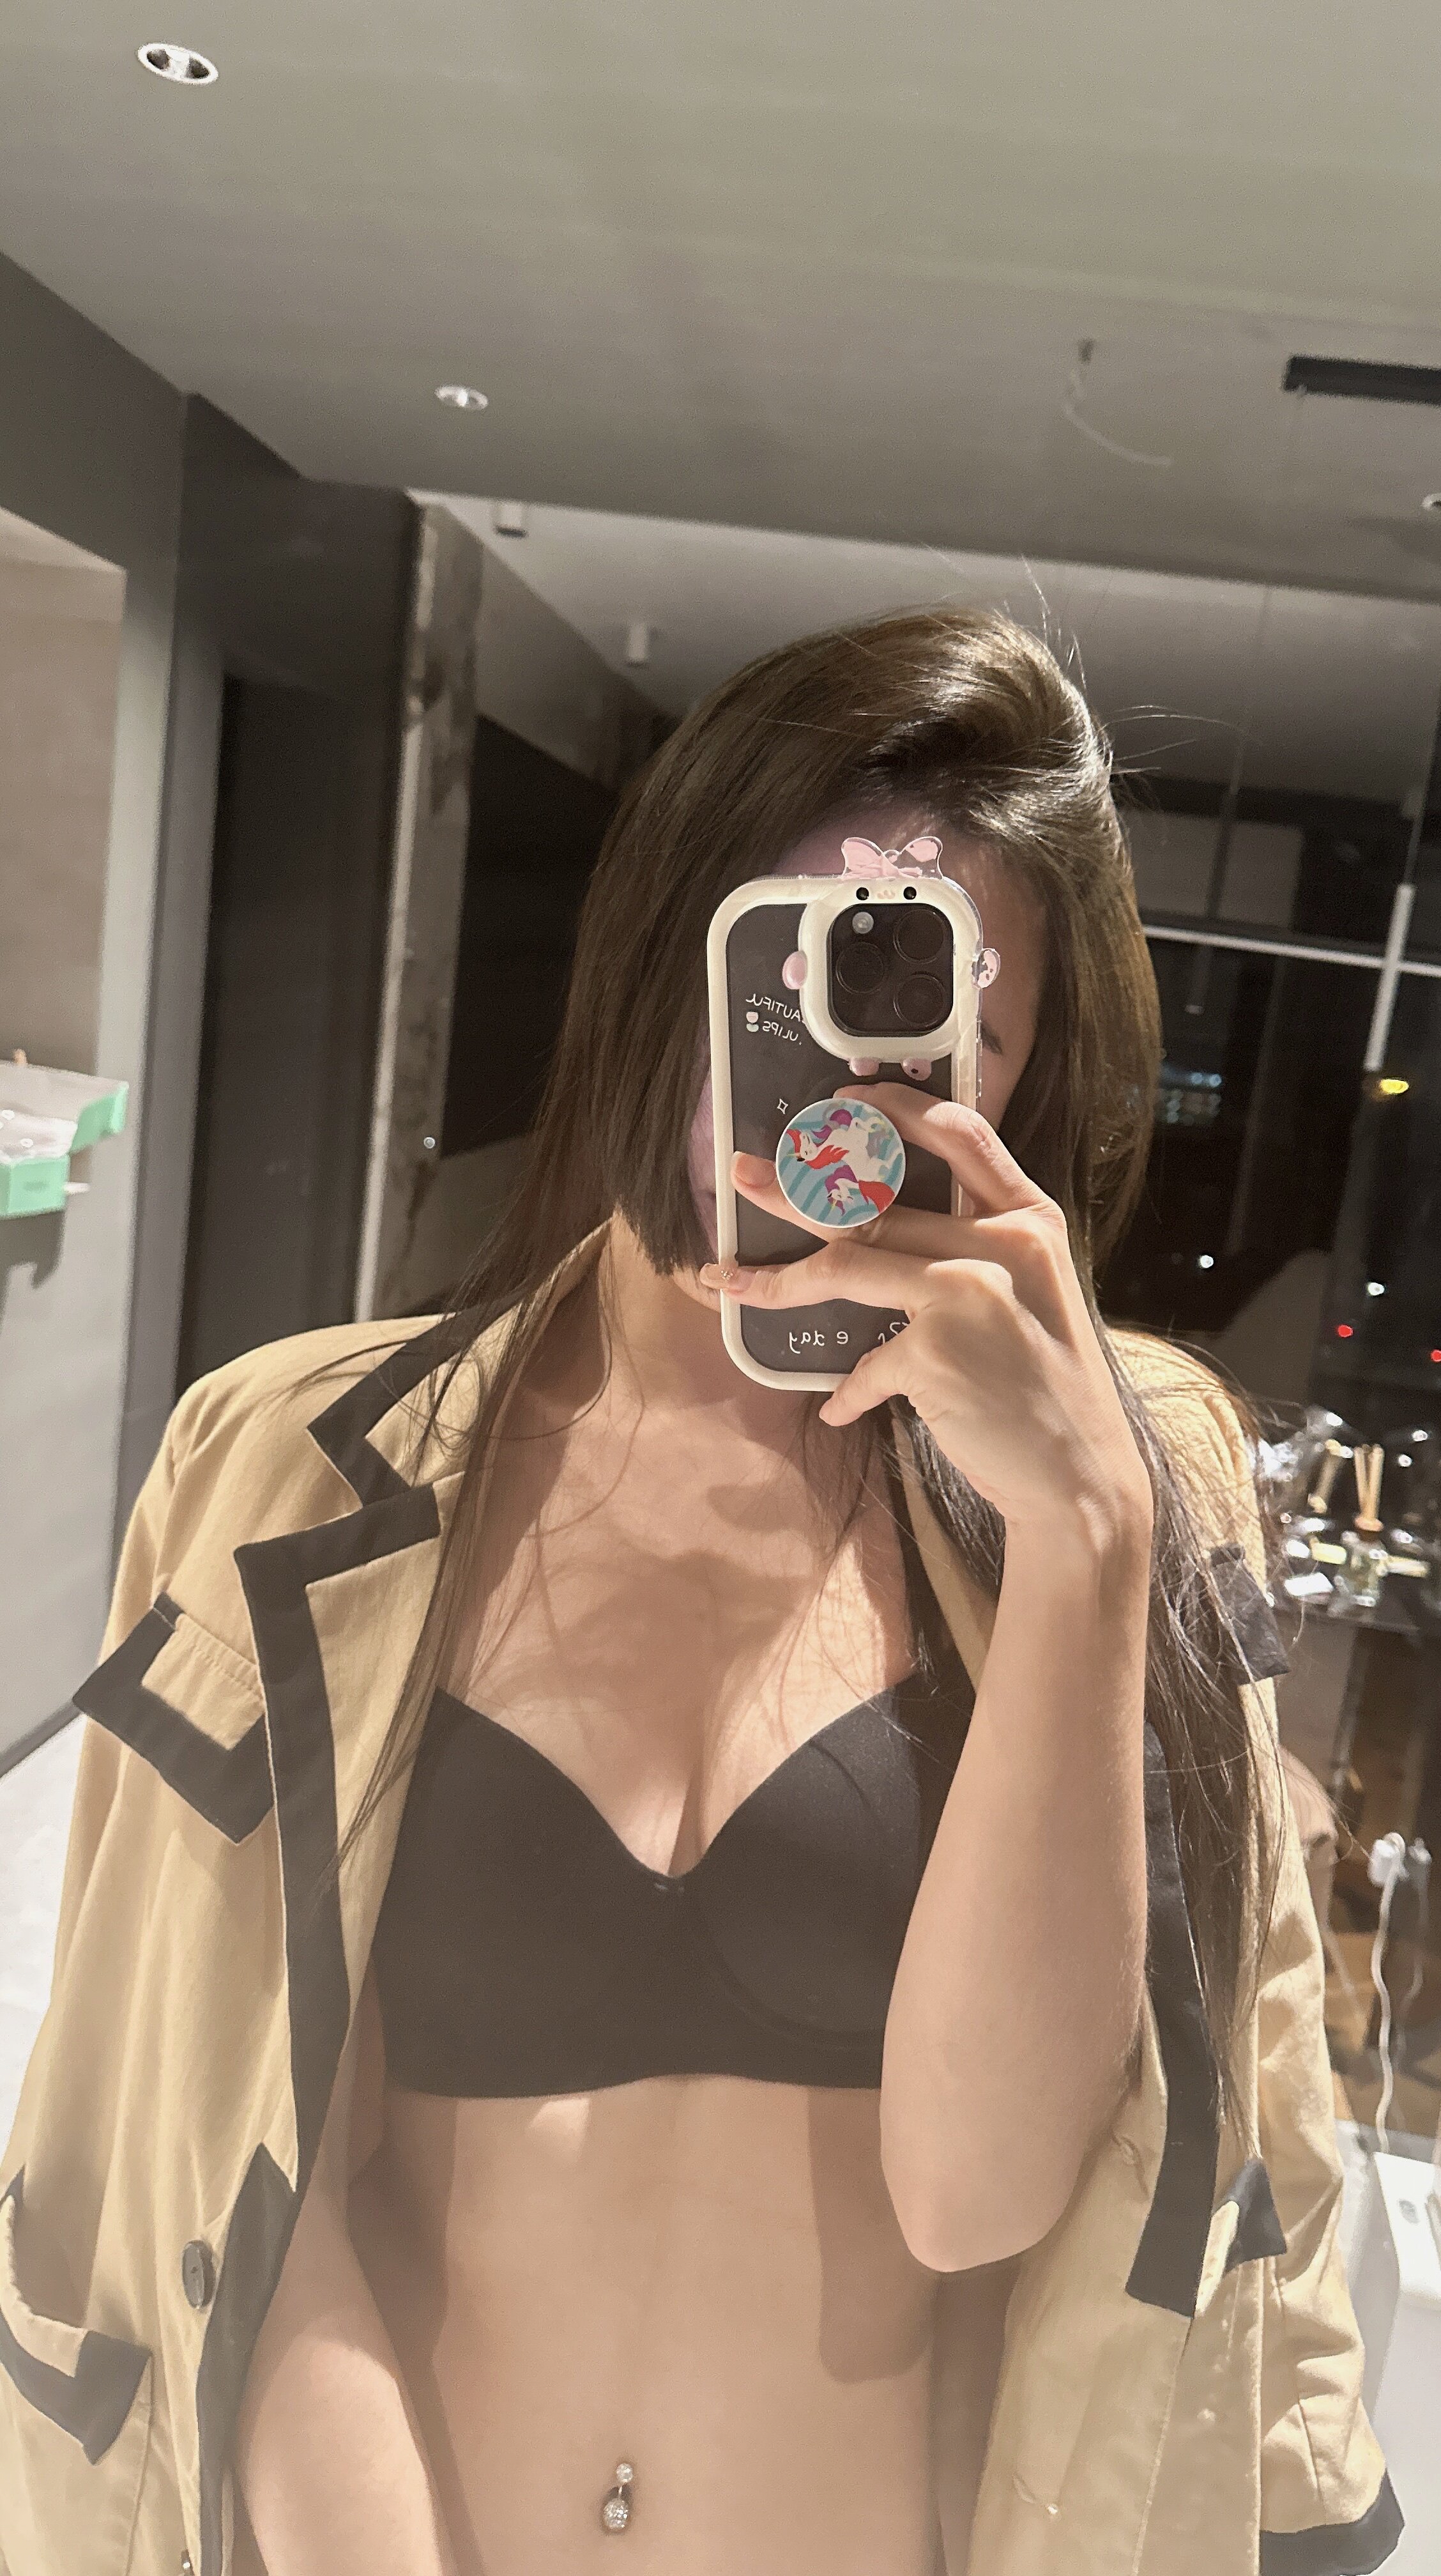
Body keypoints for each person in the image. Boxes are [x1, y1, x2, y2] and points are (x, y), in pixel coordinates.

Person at [0, 611, 1397, 2576]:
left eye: (934, 1039)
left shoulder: (1120, 1478)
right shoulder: (288, 1461)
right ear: (664, 962)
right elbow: (230, 2148)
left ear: (1007, 1092)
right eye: (780, 985)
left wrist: (1085, 1541)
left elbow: (983, 2195)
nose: (827, 1097)